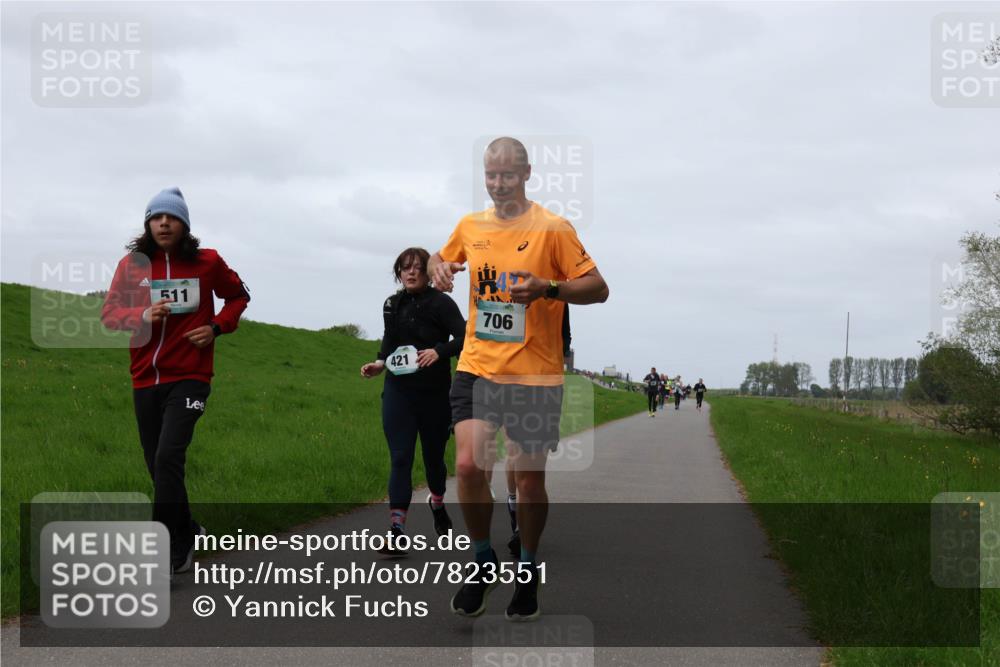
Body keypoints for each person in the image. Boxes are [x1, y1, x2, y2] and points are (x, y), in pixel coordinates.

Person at [429, 137, 608, 621]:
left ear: (527, 173)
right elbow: (438, 258)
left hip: (534, 377)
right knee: (467, 467)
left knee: (527, 482)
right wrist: (439, 266)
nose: (498, 183)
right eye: (490, 175)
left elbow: (598, 288)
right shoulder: (470, 225)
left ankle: (526, 566)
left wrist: (548, 289)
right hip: (477, 367)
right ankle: (482, 559)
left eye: (507, 175)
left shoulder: (552, 228)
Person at [101, 187, 250, 574]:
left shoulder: (207, 261)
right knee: (158, 465)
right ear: (148, 224)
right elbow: (110, 315)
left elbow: (238, 297)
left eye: (172, 217)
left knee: (169, 456)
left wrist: (216, 327)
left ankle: (170, 547)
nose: (164, 223)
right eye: (156, 217)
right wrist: (141, 317)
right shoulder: (133, 266)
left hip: (190, 375)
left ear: (184, 225)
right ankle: (188, 527)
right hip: (144, 379)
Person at [361, 248, 465, 555]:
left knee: (434, 461)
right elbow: (390, 340)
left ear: (428, 272)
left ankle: (436, 501)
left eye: (417, 268)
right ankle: (397, 530)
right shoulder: (393, 304)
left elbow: (465, 336)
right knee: (401, 457)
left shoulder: (442, 303)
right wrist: (380, 363)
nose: (411, 273)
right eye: (405, 268)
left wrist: (439, 351)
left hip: (433, 394)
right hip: (398, 391)